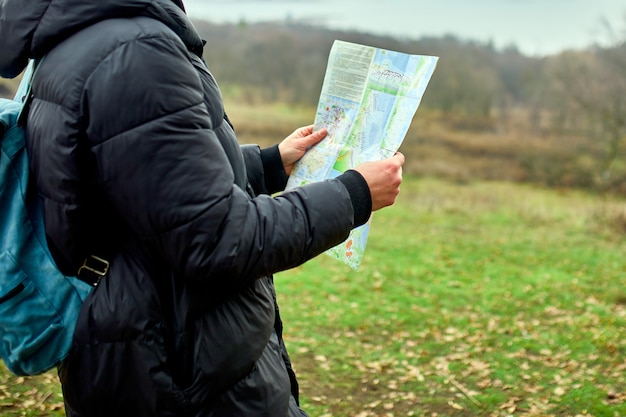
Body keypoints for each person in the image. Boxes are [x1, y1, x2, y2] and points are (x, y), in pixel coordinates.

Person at [0, 0, 404, 416]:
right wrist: (354, 194)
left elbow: (141, 184)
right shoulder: (135, 51)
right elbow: (219, 241)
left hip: (132, 346)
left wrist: (268, 164)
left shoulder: (79, 39)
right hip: (182, 366)